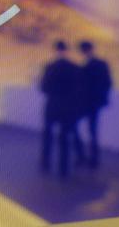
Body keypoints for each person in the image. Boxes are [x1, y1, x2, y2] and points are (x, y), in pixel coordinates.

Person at [39, 40, 79, 177]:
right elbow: (79, 89)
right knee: (64, 138)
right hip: (68, 107)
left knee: (48, 135)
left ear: (56, 50)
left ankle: (45, 163)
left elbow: (43, 88)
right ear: (67, 50)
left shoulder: (50, 67)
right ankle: (63, 169)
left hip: (52, 105)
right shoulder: (74, 67)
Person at [78, 40, 112, 168]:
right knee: (92, 130)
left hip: (87, 102)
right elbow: (108, 83)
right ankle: (93, 158)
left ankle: (83, 156)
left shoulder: (86, 66)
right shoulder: (102, 64)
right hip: (94, 102)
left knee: (76, 127)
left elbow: (83, 84)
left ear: (83, 51)